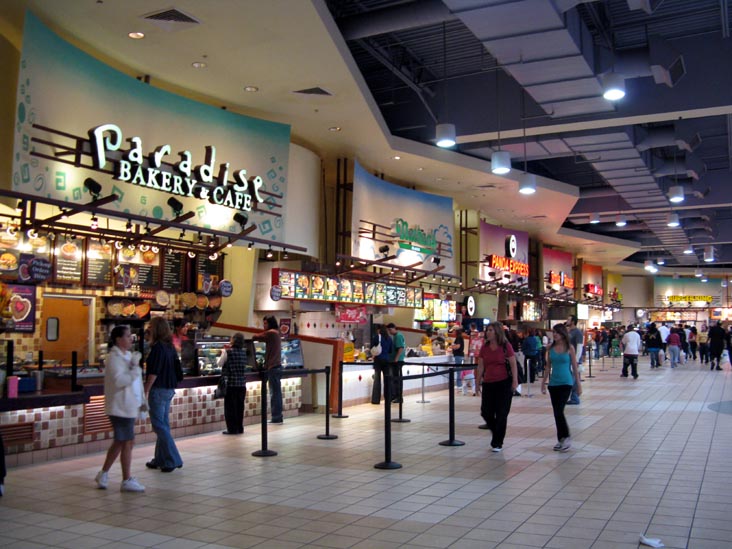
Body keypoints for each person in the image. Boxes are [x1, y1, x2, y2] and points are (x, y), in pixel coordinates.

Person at [95, 325, 146, 492]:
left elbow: (136, 383)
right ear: (118, 339)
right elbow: (119, 380)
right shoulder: (114, 358)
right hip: (120, 406)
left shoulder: (128, 356)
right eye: (127, 336)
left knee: (121, 441)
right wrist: (135, 370)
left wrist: (142, 401)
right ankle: (126, 479)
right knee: (127, 441)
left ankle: (103, 473)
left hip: (129, 405)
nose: (131, 338)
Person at [144, 317, 183, 473]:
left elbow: (154, 372)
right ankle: (160, 459)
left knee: (159, 425)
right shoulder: (169, 346)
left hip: (158, 389)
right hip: (169, 389)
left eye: (151, 326)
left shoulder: (158, 348)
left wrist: (145, 389)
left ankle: (173, 459)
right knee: (163, 424)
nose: (148, 328)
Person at [476, 321, 518, 453]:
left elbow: (513, 364)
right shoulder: (485, 347)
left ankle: (497, 442)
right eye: (487, 330)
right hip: (488, 383)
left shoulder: (506, 346)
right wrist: (477, 382)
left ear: (497, 332)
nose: (487, 332)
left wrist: (515, 381)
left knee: (501, 413)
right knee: (486, 412)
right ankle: (497, 432)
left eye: (490, 330)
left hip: (504, 383)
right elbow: (481, 365)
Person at [541, 323, 581, 452]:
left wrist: (578, 385)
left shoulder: (570, 348)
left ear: (563, 334)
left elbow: (575, 367)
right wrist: (543, 382)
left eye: (557, 332)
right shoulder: (550, 348)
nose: (555, 335)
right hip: (554, 383)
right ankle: (561, 439)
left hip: (566, 383)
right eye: (554, 332)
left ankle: (566, 437)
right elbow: (548, 367)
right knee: (556, 412)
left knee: (559, 411)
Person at [253, 315, 284, 423]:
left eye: (265, 323)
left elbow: (254, 337)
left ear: (270, 323)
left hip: (272, 367)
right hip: (277, 366)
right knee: (277, 393)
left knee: (274, 393)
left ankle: (276, 417)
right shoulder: (277, 332)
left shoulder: (271, 333)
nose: (264, 325)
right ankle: (278, 416)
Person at [218, 332, 249, 435]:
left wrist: (223, 352)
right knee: (240, 408)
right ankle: (240, 428)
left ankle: (232, 429)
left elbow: (219, 363)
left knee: (230, 408)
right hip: (242, 384)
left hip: (231, 384)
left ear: (234, 340)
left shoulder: (228, 352)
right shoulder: (244, 352)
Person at [370, 325, 393, 404]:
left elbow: (371, 348)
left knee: (377, 380)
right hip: (387, 360)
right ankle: (388, 398)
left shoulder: (377, 337)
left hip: (378, 360)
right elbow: (391, 350)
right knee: (387, 380)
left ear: (379, 330)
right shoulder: (389, 338)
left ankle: (376, 400)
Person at [566, 316, 583, 405]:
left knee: (574, 378)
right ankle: (572, 396)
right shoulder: (568, 331)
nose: (567, 321)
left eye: (568, 319)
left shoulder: (577, 332)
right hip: (567, 358)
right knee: (571, 378)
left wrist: (576, 360)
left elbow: (579, 346)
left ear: (573, 321)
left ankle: (575, 397)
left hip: (574, 359)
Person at [387, 323, 405, 403]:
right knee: (395, 379)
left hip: (397, 361)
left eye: (390, 330)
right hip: (396, 360)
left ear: (394, 328)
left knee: (397, 379)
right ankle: (396, 396)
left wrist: (396, 359)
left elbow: (400, 348)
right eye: (388, 330)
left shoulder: (398, 336)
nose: (389, 332)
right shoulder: (395, 336)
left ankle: (399, 397)